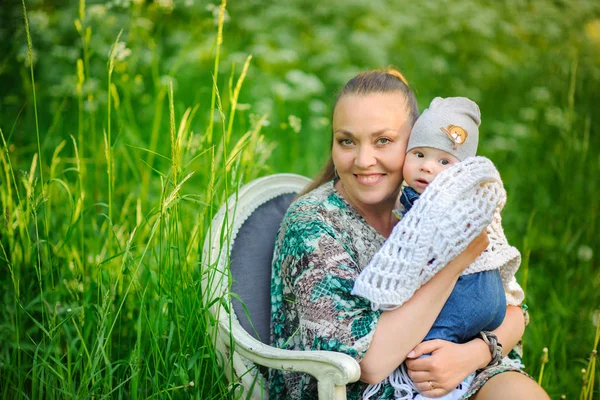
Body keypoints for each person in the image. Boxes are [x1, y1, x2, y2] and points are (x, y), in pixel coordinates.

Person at [269, 68, 549, 400]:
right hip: (370, 389)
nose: (363, 160)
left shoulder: (431, 204)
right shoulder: (314, 224)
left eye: (383, 140)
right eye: (347, 141)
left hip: (464, 367)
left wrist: (471, 355)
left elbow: (515, 311)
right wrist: (456, 260)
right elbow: (369, 364)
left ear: (417, 142)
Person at [352, 96, 523, 400]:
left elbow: (420, 262)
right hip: (493, 306)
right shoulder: (455, 200)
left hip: (471, 295)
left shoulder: (437, 204)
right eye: (419, 155)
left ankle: (435, 391)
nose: (427, 168)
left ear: (461, 170)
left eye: (444, 162)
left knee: (423, 347)